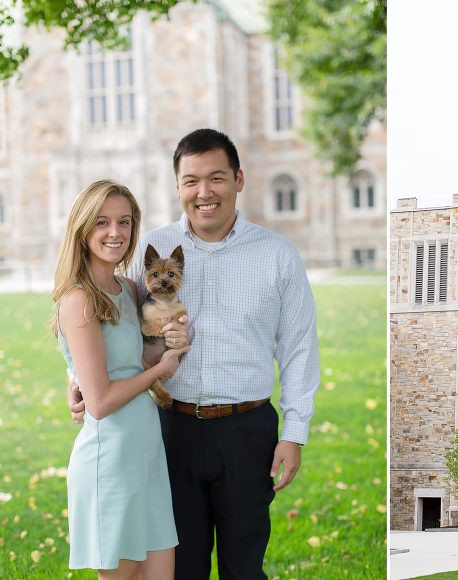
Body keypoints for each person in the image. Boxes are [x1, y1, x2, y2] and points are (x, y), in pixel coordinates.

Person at [69, 129, 320, 579]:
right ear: (178, 186)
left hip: (248, 431)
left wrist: (294, 432)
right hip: (169, 431)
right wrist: (78, 382)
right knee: (179, 567)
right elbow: (106, 324)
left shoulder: (277, 255)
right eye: (190, 181)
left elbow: (300, 348)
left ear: (239, 180)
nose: (203, 193)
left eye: (216, 178)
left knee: (244, 567)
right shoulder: (149, 256)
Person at [53, 180, 188, 579]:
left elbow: (130, 359)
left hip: (147, 451)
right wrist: (159, 371)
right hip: (110, 459)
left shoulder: (129, 289)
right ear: (82, 229)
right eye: (102, 222)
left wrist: (169, 342)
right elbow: (100, 402)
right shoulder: (79, 299)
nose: (116, 232)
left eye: (124, 222)